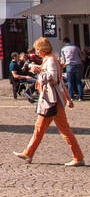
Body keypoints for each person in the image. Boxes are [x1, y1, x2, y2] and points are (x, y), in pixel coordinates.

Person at [13, 38, 85, 167]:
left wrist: (38, 71)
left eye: (38, 49)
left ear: (43, 49)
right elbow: (60, 81)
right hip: (54, 100)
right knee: (44, 129)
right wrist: (68, 99)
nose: (36, 52)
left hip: (52, 101)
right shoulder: (49, 59)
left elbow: (53, 78)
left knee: (57, 130)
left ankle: (78, 157)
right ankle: (28, 153)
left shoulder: (50, 60)